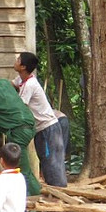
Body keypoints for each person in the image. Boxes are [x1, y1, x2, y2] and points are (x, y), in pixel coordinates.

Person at [13, 52, 68, 187]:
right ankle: (54, 194)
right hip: (41, 130)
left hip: (47, 129)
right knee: (45, 160)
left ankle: (59, 194)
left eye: (18, 59)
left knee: (52, 163)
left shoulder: (30, 84)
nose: (15, 60)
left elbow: (21, 106)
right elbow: (12, 84)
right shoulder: (21, 80)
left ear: (23, 67)